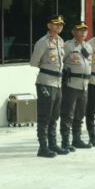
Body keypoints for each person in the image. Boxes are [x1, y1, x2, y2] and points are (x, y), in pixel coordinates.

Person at [30, 14, 67, 158]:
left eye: (61, 25)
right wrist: (46, 68)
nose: (59, 27)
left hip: (58, 83)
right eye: (56, 24)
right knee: (45, 116)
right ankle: (43, 147)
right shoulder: (43, 42)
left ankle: (53, 144)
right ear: (49, 25)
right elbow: (34, 62)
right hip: (46, 82)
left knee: (54, 116)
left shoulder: (60, 41)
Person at [60, 21, 93, 151]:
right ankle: (65, 142)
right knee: (68, 114)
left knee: (80, 114)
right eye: (80, 30)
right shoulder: (68, 45)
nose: (83, 32)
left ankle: (77, 139)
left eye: (85, 30)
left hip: (84, 85)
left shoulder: (88, 47)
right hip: (71, 84)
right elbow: (59, 61)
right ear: (74, 32)